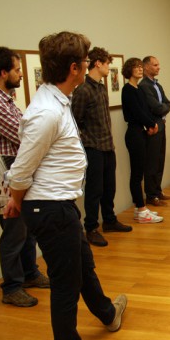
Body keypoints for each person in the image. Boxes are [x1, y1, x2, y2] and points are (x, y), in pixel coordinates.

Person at [4, 32, 126, 340]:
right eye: (85, 62)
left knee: (83, 265)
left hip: (59, 205)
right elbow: (21, 170)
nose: (87, 66)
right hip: (50, 208)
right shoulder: (46, 112)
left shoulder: (58, 100)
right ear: (74, 68)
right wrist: (15, 201)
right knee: (65, 282)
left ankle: (107, 313)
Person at [0, 47, 50, 307]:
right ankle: (11, 288)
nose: (21, 74)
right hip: (3, 174)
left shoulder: (6, 99)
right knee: (13, 233)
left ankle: (29, 274)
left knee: (26, 229)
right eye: (17, 70)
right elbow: (23, 134)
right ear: (3, 72)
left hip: (14, 171)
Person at [71, 47, 132, 247]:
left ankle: (109, 220)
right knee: (94, 190)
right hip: (93, 148)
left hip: (107, 146)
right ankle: (91, 228)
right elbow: (75, 120)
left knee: (109, 187)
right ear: (98, 63)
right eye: (107, 64)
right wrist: (86, 139)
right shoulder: (83, 90)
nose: (108, 68)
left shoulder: (101, 88)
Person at [121, 58, 163, 224]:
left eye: (140, 66)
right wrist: (152, 124)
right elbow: (137, 113)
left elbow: (145, 111)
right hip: (134, 134)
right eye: (136, 67)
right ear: (129, 70)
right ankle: (141, 209)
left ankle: (141, 208)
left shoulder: (138, 89)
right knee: (137, 174)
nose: (139, 69)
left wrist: (150, 125)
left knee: (140, 173)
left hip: (142, 132)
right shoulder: (127, 90)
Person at [139, 56, 170, 207]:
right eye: (155, 65)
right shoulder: (144, 86)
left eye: (158, 64)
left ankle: (158, 191)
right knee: (152, 162)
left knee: (160, 160)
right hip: (153, 127)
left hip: (161, 125)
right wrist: (163, 108)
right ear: (146, 67)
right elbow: (156, 107)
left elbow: (167, 103)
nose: (158, 67)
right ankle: (151, 195)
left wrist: (163, 108)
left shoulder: (157, 85)